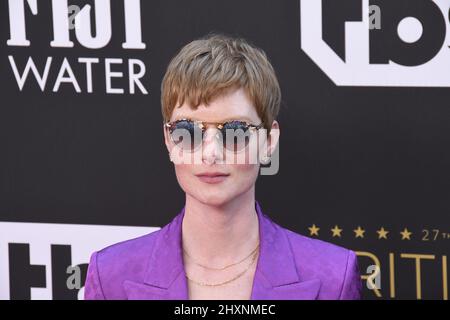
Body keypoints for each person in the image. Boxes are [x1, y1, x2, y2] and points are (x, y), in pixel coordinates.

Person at [84, 33, 362, 300]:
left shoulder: (333, 276)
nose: (211, 153)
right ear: (169, 140)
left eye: (236, 132)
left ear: (269, 141)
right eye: (187, 131)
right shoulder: (110, 275)